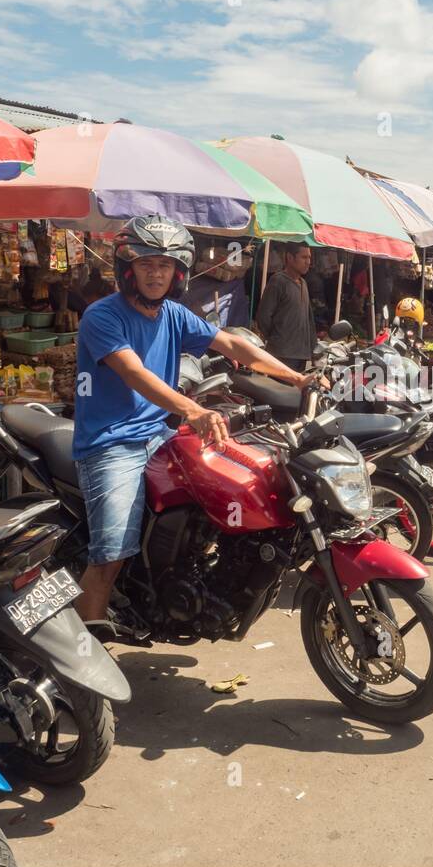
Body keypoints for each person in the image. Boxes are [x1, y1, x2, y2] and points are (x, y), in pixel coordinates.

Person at [71, 216, 315, 631]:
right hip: (113, 443)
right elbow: (134, 373)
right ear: (128, 268)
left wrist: (296, 377)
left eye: (164, 266)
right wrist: (193, 410)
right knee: (110, 554)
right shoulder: (101, 316)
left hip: (160, 435)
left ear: (177, 273)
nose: (155, 273)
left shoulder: (173, 314)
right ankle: (83, 662)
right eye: (147, 264)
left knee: (229, 485)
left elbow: (235, 344)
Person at [255, 241, 317, 372]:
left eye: (309, 257)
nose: (308, 262)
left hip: (301, 355)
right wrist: (276, 339)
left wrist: (312, 348)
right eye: (304, 257)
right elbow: (263, 317)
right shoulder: (278, 281)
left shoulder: (303, 283)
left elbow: (308, 319)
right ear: (290, 257)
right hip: (282, 355)